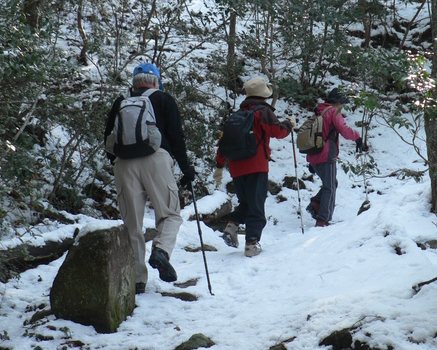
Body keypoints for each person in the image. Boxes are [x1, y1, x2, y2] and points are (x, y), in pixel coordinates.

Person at [104, 63, 195, 293]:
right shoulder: (164, 100)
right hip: (157, 159)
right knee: (170, 214)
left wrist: (118, 163)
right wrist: (186, 169)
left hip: (124, 164)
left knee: (132, 224)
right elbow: (177, 138)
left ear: (133, 83)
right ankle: (161, 251)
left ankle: (137, 280)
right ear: (156, 81)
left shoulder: (120, 103)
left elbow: (108, 140)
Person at [213, 76, 294, 257]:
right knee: (256, 206)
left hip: (236, 167)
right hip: (256, 166)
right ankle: (251, 244)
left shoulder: (236, 115)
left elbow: (224, 143)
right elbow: (278, 131)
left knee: (247, 203)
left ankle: (232, 226)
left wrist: (219, 166)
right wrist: (289, 124)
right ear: (263, 95)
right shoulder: (262, 112)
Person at [306, 87, 362, 227]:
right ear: (338, 102)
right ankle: (323, 220)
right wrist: (357, 137)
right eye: (342, 104)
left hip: (314, 155)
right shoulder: (333, 112)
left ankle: (316, 204)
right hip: (326, 155)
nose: (342, 107)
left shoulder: (319, 111)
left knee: (331, 184)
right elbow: (344, 130)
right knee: (330, 187)